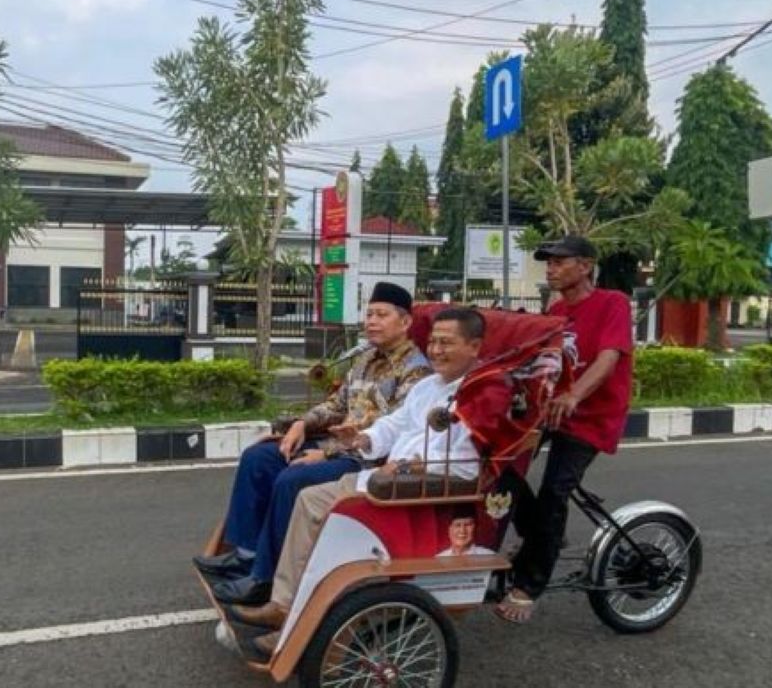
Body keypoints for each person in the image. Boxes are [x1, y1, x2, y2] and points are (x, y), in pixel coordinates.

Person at [226, 307, 487, 652]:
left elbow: (468, 461)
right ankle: (280, 599)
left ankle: (295, 616)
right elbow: (393, 423)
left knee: (301, 485)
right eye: (434, 341)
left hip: (407, 486)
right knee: (298, 489)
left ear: (475, 346)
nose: (436, 350)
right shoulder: (425, 384)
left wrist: (402, 466)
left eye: (446, 343)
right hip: (380, 471)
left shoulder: (478, 392)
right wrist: (362, 438)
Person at [196, 282, 431, 606]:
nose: (371, 321)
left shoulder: (416, 372)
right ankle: (247, 555)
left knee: (292, 479)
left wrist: (326, 452)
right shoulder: (364, 360)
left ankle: (265, 579)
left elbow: (393, 432)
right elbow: (337, 405)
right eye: (369, 314)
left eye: (381, 315)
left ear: (405, 323)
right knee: (259, 457)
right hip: (333, 443)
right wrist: (302, 424)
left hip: (367, 458)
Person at [496, 234, 633, 624]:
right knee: (500, 465)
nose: (550, 269)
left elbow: (608, 358)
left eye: (559, 262)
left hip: (592, 415)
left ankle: (531, 582)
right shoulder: (556, 309)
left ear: (585, 266)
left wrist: (574, 395)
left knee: (555, 491)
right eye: (549, 263)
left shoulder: (613, 303)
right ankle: (540, 536)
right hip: (550, 411)